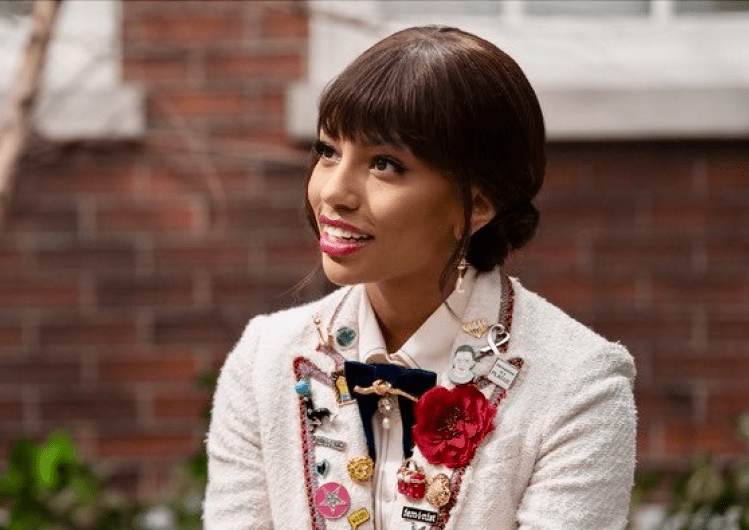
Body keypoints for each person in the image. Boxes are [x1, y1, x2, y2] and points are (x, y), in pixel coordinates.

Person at [203, 26, 636, 530]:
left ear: (477, 203)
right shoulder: (265, 360)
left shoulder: (579, 386)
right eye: (328, 151)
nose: (333, 193)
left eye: (385, 164)